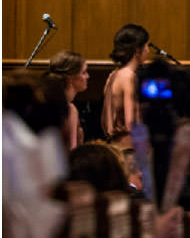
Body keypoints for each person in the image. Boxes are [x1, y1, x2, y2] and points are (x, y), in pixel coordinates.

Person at [101, 24, 151, 185]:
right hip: (129, 151)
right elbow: (132, 123)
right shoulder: (129, 77)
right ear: (137, 50)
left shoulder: (113, 75)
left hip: (114, 147)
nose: (149, 50)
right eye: (147, 45)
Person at [46, 50, 89, 150]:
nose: (88, 76)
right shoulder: (70, 109)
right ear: (70, 78)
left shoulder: (48, 103)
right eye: (84, 72)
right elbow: (72, 149)